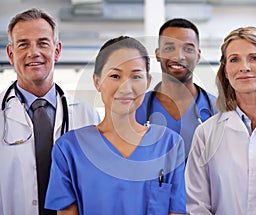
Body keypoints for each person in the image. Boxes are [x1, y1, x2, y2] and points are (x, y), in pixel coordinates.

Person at [44, 36, 186, 215]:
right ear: (97, 82)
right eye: (115, 76)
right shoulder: (69, 149)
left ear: (148, 82)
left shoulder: (170, 145)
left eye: (136, 76)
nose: (125, 87)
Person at [185, 26, 256, 214]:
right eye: (234, 59)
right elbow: (196, 204)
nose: (244, 67)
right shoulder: (207, 133)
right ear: (226, 72)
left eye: (254, 58)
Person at [0, 8, 100, 215]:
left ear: (57, 50)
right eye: (23, 44)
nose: (33, 52)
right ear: (11, 54)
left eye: (43, 43)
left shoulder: (87, 115)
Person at [136, 18, 217, 158]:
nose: (179, 56)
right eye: (169, 48)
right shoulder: (135, 108)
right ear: (157, 54)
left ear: (198, 55)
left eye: (188, 49)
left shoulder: (218, 110)